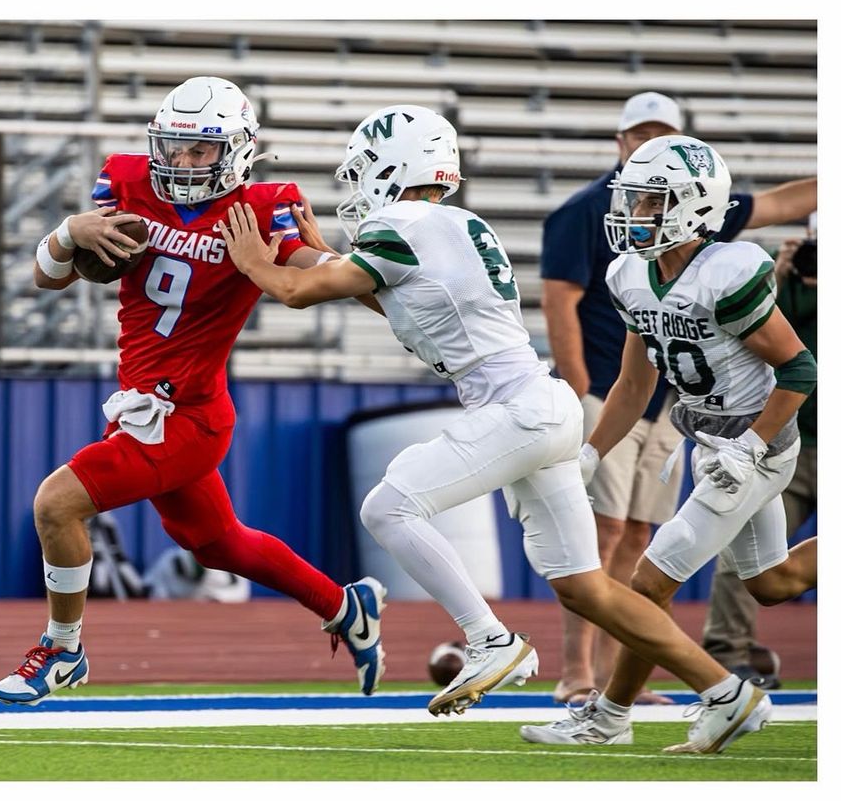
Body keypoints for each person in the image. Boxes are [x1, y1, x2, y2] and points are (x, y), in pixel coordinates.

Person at [217, 105, 777, 752]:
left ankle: (490, 638)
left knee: (389, 507)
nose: (358, 184)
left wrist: (256, 262)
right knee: (585, 585)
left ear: (394, 167)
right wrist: (319, 251)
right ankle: (726, 692)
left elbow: (295, 293)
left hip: (516, 410)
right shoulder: (451, 221)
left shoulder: (402, 222)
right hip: (544, 404)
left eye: (366, 168)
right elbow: (393, 293)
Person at [0, 76, 385, 706]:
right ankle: (346, 605)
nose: (180, 162)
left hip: (189, 416)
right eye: (172, 148)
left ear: (237, 152)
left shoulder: (260, 209)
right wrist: (69, 233)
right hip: (143, 406)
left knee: (56, 504)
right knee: (217, 544)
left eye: (199, 151)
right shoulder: (126, 182)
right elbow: (48, 277)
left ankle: (63, 652)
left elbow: (323, 277)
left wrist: (334, 261)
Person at [521, 135, 816, 750]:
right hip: (711, 439)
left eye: (652, 200)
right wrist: (591, 452)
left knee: (649, 581)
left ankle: (609, 717)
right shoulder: (632, 274)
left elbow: (800, 371)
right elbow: (634, 382)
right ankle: (616, 714)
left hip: (755, 442)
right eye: (633, 199)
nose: (634, 213)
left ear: (693, 206)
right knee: (774, 582)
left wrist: (753, 447)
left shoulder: (726, 273)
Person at [701, 218, 818, 687]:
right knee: (746, 559)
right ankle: (727, 652)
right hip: (784, 440)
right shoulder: (775, 282)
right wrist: (786, 273)